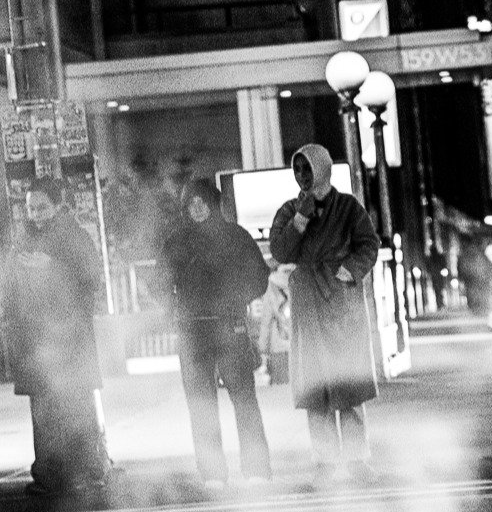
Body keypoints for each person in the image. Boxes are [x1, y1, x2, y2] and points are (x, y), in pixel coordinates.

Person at [269, 143, 382, 484]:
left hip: (342, 302)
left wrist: (350, 270)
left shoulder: (347, 206)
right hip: (308, 304)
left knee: (349, 384)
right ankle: (326, 463)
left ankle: (357, 460)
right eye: (298, 169)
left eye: (308, 168)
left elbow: (369, 244)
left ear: (322, 168)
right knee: (315, 387)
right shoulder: (290, 209)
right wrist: (300, 220)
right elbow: (280, 250)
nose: (303, 176)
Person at [160, 178, 272, 487]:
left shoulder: (235, 237)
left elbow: (259, 278)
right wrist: (172, 305)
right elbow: (158, 281)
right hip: (192, 331)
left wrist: (237, 298)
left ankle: (257, 470)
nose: (197, 209)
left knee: (244, 400)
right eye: (191, 204)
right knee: (201, 406)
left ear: (213, 203)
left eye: (202, 202)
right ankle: (212, 473)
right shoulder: (176, 241)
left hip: (229, 327)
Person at [4, 178, 107, 497]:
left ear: (57, 205)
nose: (35, 214)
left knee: (75, 405)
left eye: (41, 207)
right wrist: (10, 318)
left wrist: (54, 268)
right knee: (44, 411)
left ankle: (87, 471)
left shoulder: (75, 237)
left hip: (70, 338)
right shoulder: (21, 239)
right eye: (30, 208)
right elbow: (9, 284)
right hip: (35, 339)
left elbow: (92, 281)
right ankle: (49, 476)